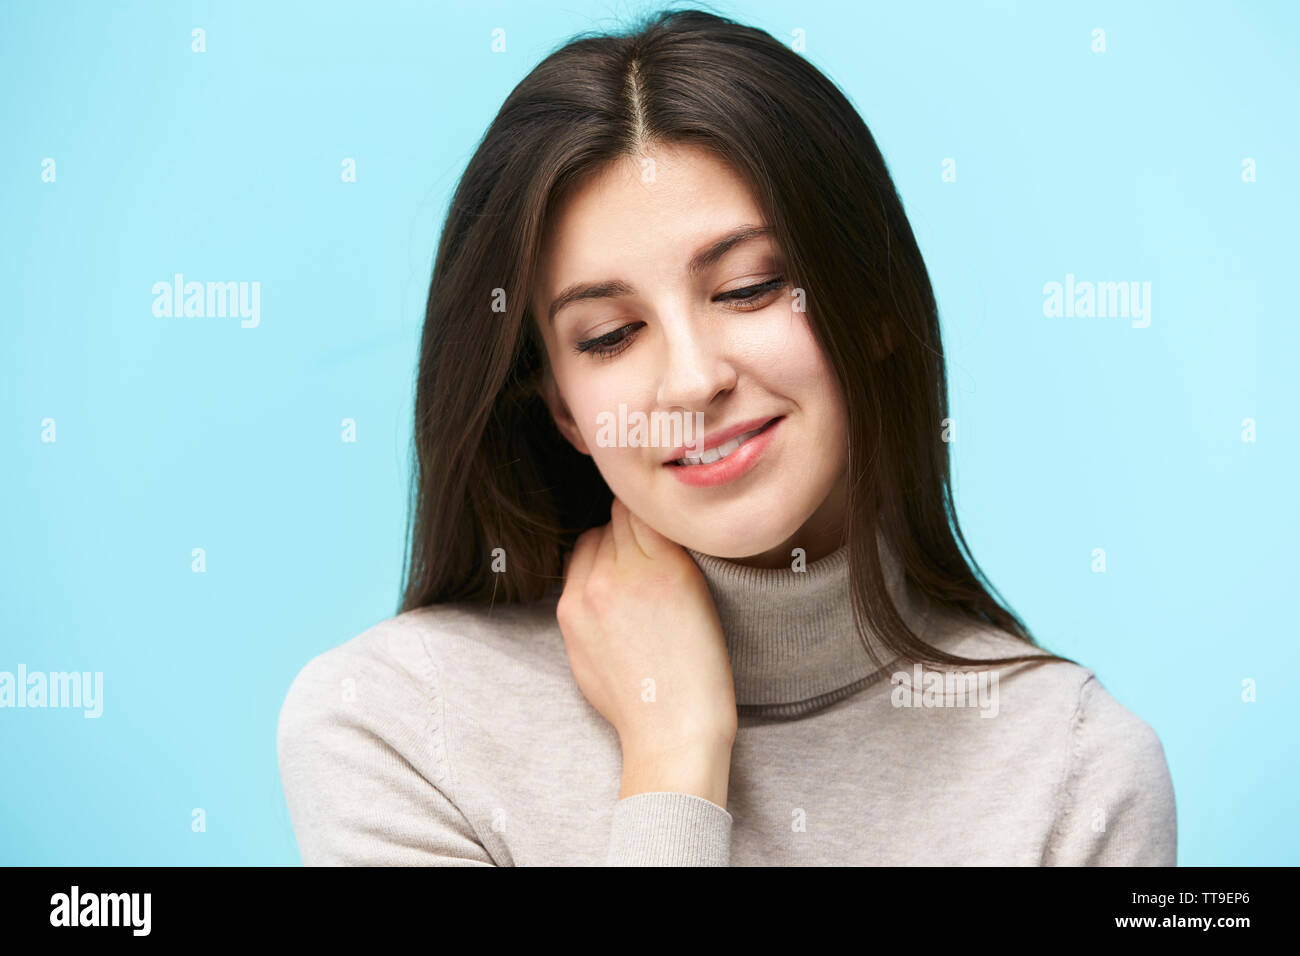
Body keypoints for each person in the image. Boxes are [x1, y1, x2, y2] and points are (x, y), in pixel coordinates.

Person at [276, 8, 1176, 866]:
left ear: (872, 311)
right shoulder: (397, 725)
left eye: (748, 288)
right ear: (561, 409)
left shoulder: (1074, 767)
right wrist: (674, 759)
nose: (692, 379)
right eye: (608, 336)